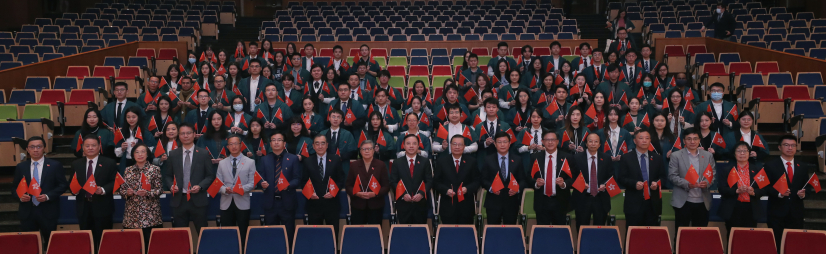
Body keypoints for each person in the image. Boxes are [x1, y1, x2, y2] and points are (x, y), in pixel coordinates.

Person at [163, 123, 215, 235]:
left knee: (203, 233)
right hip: (179, 200)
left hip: (198, 200)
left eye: (188, 133)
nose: (185, 136)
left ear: (194, 134)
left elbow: (210, 175)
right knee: (180, 235)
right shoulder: (173, 154)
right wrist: (171, 185)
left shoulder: (203, 153)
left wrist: (200, 186)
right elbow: (167, 175)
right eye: (182, 133)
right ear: (178, 135)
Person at [14, 136, 68, 246]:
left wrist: (48, 196)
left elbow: (63, 185)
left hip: (48, 211)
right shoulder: (21, 167)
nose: (35, 150)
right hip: (27, 212)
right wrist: (20, 196)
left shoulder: (54, 165)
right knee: (29, 244)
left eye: (39, 147)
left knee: (50, 244)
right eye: (32, 147)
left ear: (44, 148)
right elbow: (14, 188)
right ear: (27, 149)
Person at [71, 136, 118, 247]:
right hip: (83, 207)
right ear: (83, 148)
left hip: (103, 207)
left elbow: (115, 182)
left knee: (103, 240)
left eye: (93, 145)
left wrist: (102, 190)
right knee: (86, 240)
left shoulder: (109, 163)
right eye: (87, 146)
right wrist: (74, 190)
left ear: (99, 147)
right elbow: (72, 182)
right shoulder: (76, 164)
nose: (90, 148)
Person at [766, 135, 810, 249]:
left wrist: (804, 194)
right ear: (779, 147)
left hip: (796, 212)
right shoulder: (770, 165)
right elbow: (765, 187)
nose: (790, 148)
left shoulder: (803, 166)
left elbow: (808, 187)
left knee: (794, 245)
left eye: (793, 145)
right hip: (776, 212)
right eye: (786, 145)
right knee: (777, 244)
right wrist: (779, 193)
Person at [257, 132, 302, 242]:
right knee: (272, 234)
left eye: (279, 140)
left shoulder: (293, 159)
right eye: (273, 140)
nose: (276, 142)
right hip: (270, 203)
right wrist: (261, 184)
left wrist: (288, 185)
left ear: (284, 143)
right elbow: (259, 178)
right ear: (270, 144)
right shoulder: (264, 159)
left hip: (287, 202)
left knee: (289, 234)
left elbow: (297, 179)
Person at [668, 129, 714, 230]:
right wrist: (687, 184)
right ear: (684, 141)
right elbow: (672, 176)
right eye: (689, 139)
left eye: (695, 139)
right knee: (681, 234)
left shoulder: (708, 155)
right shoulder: (676, 155)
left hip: (703, 201)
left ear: (699, 140)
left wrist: (706, 183)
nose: (692, 142)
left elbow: (712, 174)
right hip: (683, 202)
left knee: (700, 235)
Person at [618, 130, 664, 228]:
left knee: (651, 235)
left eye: (647, 138)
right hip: (634, 203)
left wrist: (657, 183)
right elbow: (621, 178)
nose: (644, 141)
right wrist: (634, 184)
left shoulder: (657, 158)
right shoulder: (626, 158)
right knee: (633, 235)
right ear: (635, 141)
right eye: (641, 138)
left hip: (652, 204)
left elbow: (663, 177)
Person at [119, 144, 163, 247]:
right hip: (131, 216)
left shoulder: (155, 169)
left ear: (147, 154)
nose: (140, 154)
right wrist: (127, 193)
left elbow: (159, 190)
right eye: (137, 152)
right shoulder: (128, 170)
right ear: (133, 155)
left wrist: (147, 193)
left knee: (152, 246)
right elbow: (122, 190)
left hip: (151, 215)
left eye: (143, 151)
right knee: (133, 246)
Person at [717, 141, 765, 235]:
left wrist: (754, 192)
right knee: (732, 236)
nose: (742, 153)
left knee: (749, 237)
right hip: (733, 208)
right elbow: (721, 189)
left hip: (751, 208)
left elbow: (763, 190)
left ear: (749, 153)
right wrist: (736, 190)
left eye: (745, 151)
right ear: (734, 154)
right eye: (738, 151)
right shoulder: (727, 170)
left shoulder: (757, 169)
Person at [216, 135, 256, 245]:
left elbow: (252, 184)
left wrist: (239, 189)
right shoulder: (222, 163)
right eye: (231, 144)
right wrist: (225, 189)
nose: (233, 146)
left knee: (243, 233)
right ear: (227, 146)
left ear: (241, 145)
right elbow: (217, 184)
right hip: (226, 203)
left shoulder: (250, 162)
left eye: (236, 144)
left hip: (242, 202)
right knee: (227, 234)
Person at [302, 134, 344, 237]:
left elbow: (341, 179)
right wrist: (309, 193)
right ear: (313, 146)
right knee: (316, 235)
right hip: (314, 205)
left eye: (322, 143)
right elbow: (303, 181)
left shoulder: (335, 159)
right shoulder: (307, 161)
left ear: (327, 145)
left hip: (332, 204)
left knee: (333, 235)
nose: (320, 146)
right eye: (317, 143)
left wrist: (333, 192)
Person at [532, 131, 575, 225]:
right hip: (542, 201)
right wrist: (536, 183)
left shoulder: (567, 157)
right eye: (547, 140)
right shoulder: (535, 157)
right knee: (542, 232)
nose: (550, 142)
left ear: (557, 141)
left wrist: (564, 184)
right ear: (542, 141)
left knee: (560, 233)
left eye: (553, 140)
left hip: (560, 201)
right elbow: (529, 176)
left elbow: (573, 178)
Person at [434, 135, 480, 224]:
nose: (457, 147)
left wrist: (467, 189)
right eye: (454, 144)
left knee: (466, 235)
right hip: (448, 206)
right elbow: (436, 182)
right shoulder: (442, 161)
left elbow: (477, 180)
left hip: (466, 205)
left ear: (464, 146)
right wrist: (446, 190)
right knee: (448, 235)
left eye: (460, 144)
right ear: (450, 145)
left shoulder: (472, 161)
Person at [482, 132, 525, 224]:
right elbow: (483, 179)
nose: (502, 145)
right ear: (494, 144)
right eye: (499, 142)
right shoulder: (488, 159)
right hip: (493, 202)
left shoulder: (517, 159)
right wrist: (491, 188)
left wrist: (517, 189)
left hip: (511, 202)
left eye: (505, 142)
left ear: (509, 144)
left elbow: (522, 180)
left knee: (510, 232)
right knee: (493, 232)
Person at [389, 134, 434, 224]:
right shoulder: (397, 162)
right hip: (403, 204)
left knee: (420, 231)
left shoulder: (425, 161)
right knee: (404, 232)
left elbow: (429, 180)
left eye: (414, 143)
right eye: (408, 143)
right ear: (404, 146)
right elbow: (393, 181)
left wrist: (421, 194)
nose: (411, 146)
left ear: (418, 146)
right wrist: (403, 194)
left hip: (420, 203)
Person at [572, 133, 613, 228]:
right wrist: (581, 184)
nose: (593, 144)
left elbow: (611, 176)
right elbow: (572, 177)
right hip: (583, 198)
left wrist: (605, 185)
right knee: (581, 228)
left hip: (600, 198)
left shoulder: (606, 158)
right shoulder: (577, 158)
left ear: (599, 144)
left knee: (599, 229)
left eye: (596, 141)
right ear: (586, 143)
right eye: (590, 141)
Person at [346, 140, 390, 225]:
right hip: (358, 205)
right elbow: (348, 186)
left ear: (373, 150)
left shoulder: (381, 165)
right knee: (358, 233)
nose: (366, 151)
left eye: (369, 149)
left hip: (376, 205)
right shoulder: (354, 165)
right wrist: (357, 193)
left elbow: (386, 186)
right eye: (364, 149)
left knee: (375, 233)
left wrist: (375, 193)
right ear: (360, 151)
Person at [115, 107, 156, 173]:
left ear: (138, 117)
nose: (131, 119)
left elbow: (152, 150)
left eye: (134, 117)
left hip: (141, 163)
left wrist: (139, 147)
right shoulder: (122, 132)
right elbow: (117, 153)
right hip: (126, 162)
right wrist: (122, 148)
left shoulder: (145, 132)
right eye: (128, 117)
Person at [475, 98, 513, 167]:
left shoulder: (505, 125)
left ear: (497, 109)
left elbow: (512, 142)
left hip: (502, 159)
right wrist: (485, 143)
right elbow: (475, 144)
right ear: (484, 109)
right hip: (484, 158)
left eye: (494, 107)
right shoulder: (478, 127)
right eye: (489, 107)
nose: (491, 109)